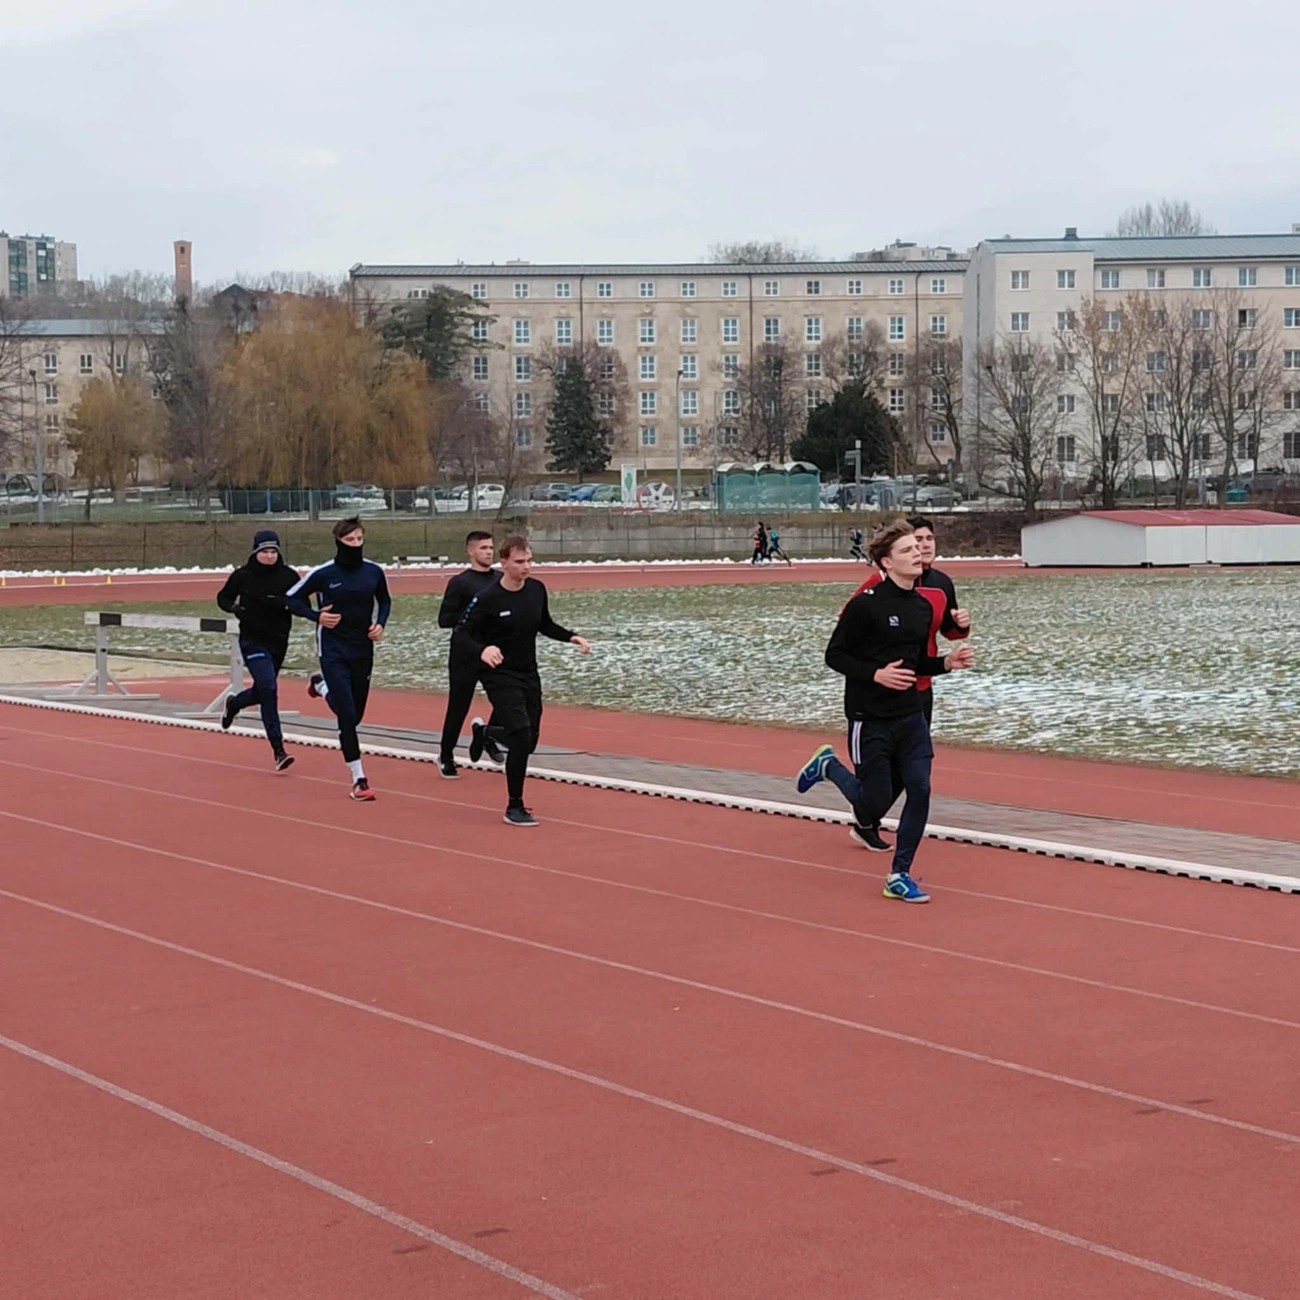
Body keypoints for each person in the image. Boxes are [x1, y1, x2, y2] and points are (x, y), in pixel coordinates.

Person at [796, 520, 974, 903]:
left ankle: (900, 874)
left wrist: (947, 663)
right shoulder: (866, 604)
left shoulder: (923, 605)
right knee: (871, 803)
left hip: (911, 715)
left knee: (920, 788)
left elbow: (918, 661)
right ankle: (828, 766)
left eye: (920, 547)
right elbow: (834, 655)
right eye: (909, 550)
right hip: (870, 717)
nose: (918, 554)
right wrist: (875, 674)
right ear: (886, 562)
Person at [844, 516, 972, 851]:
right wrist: (877, 672)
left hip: (920, 689)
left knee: (914, 777)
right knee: (880, 781)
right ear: (891, 557)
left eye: (928, 540)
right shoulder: (874, 590)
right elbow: (845, 641)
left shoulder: (940, 585)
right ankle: (864, 810)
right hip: (874, 701)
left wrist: (959, 633)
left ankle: (879, 838)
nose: (923, 547)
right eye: (916, 542)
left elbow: (947, 631)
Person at [458, 535, 590, 826]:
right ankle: (514, 806)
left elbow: (544, 623)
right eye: (520, 562)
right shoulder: (488, 598)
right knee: (519, 733)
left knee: (529, 741)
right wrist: (483, 650)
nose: (526, 567)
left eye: (529, 560)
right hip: (498, 674)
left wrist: (571, 636)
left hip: (528, 672)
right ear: (503, 563)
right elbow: (462, 634)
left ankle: (486, 733)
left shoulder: (536, 590)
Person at [286, 517, 391, 801]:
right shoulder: (324, 573)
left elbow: (385, 600)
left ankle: (320, 687)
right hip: (332, 648)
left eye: (359, 539)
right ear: (338, 542)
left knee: (355, 714)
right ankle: (359, 779)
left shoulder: (374, 572)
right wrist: (317, 616)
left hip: (362, 647)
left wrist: (380, 623)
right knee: (346, 715)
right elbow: (291, 599)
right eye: (350, 540)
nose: (356, 544)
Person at [216, 528, 298, 771]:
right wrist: (235, 608)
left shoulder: (289, 576)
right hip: (252, 640)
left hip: (279, 640)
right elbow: (222, 598)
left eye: (273, 551)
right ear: (256, 552)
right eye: (265, 552)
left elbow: (302, 601)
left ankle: (235, 704)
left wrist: (294, 607)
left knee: (263, 689)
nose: (270, 556)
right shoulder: (243, 576)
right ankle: (279, 750)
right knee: (270, 689)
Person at [435, 530, 500, 779]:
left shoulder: (500, 579)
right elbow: (444, 619)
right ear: (471, 551)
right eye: (483, 548)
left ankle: (487, 736)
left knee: (507, 701)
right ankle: (446, 754)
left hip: (493, 652)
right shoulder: (460, 583)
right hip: (465, 652)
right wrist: (472, 614)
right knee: (458, 706)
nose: (489, 552)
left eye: (491, 547)